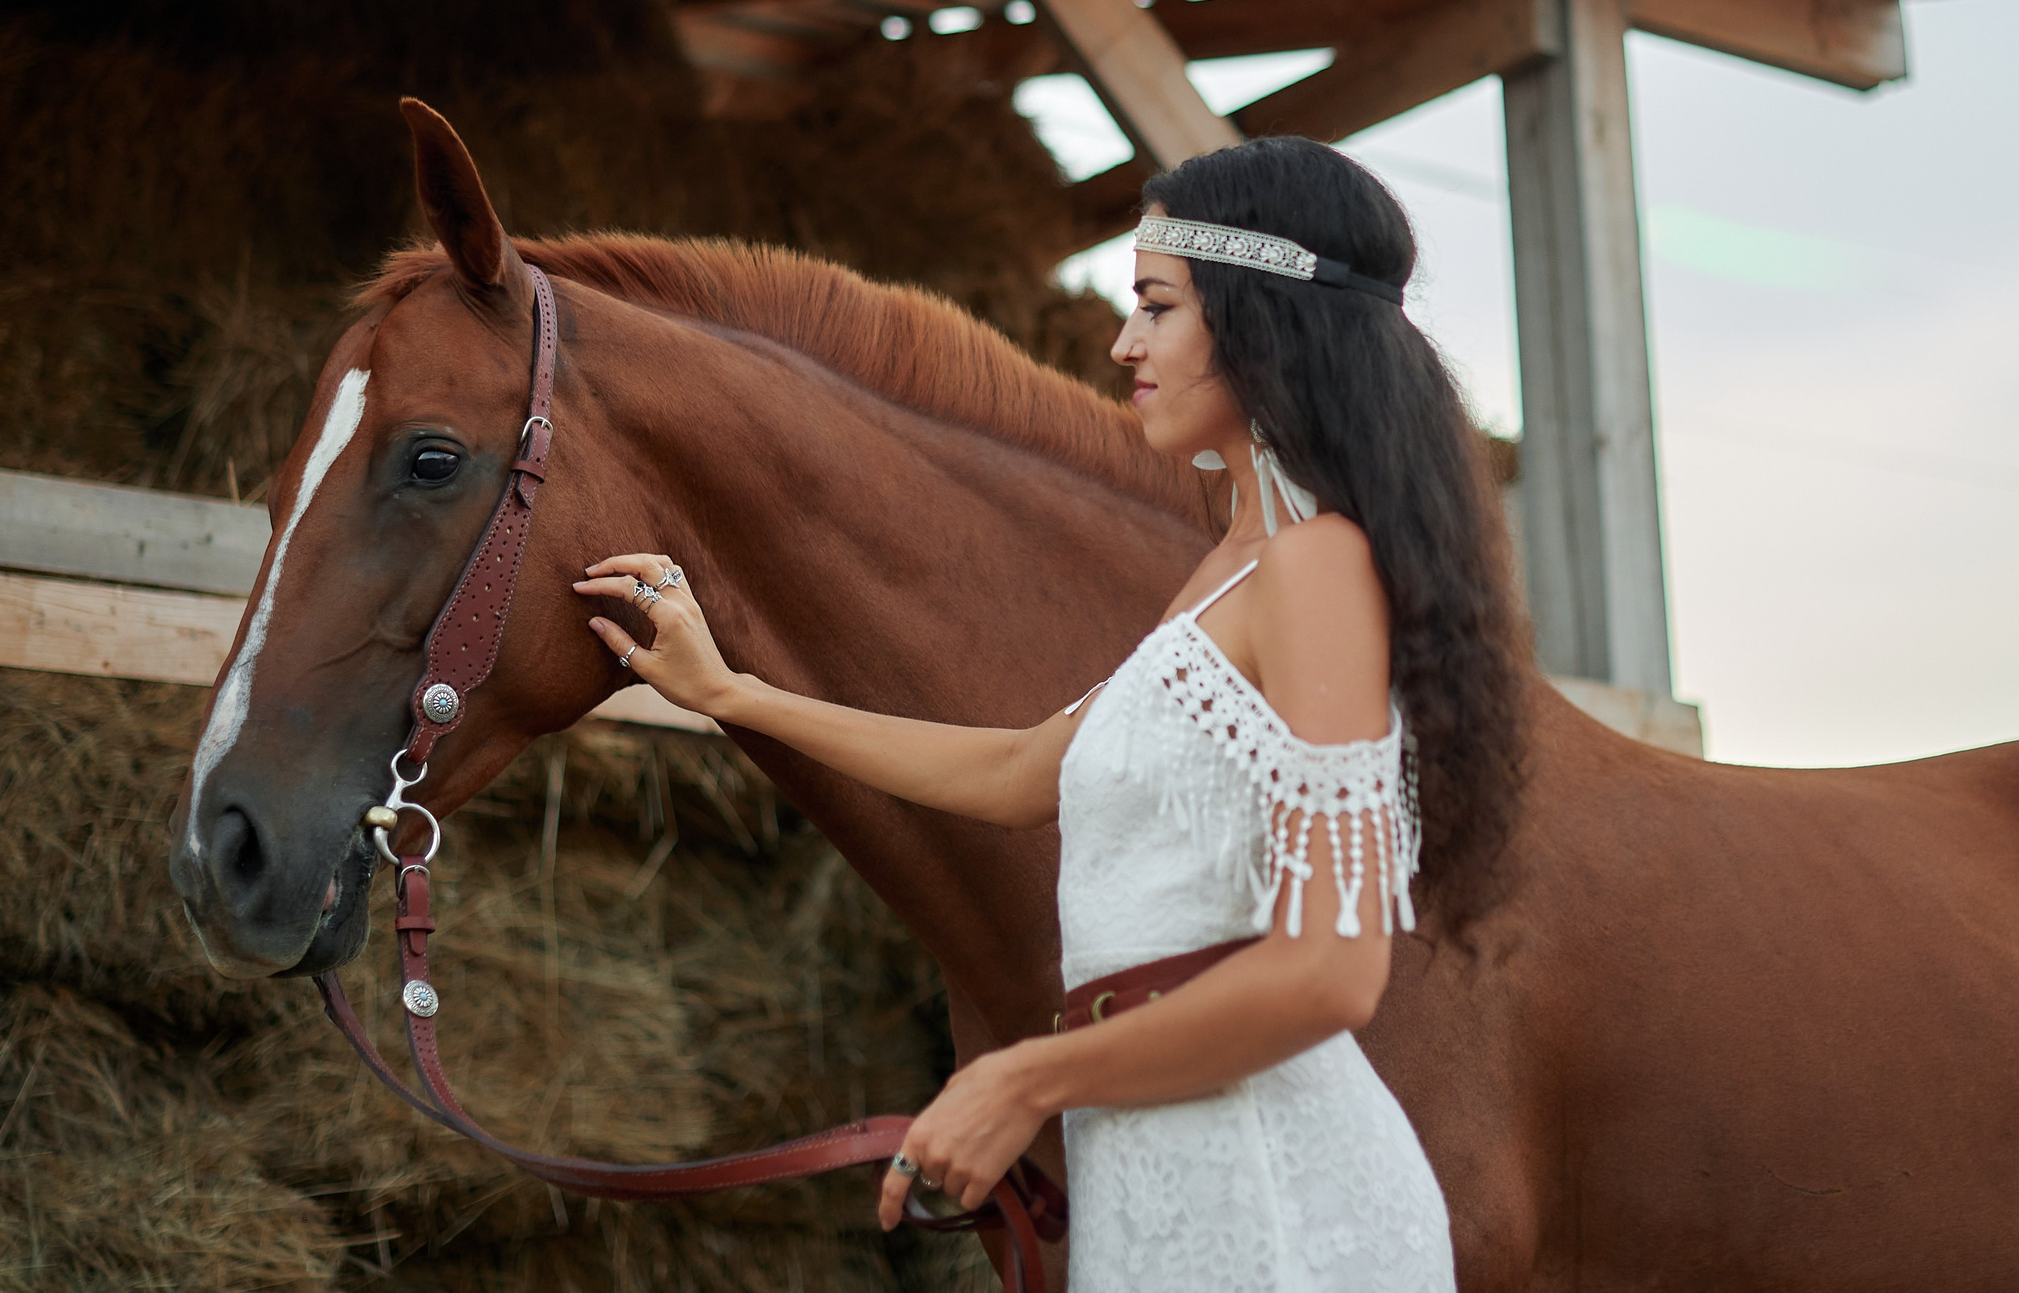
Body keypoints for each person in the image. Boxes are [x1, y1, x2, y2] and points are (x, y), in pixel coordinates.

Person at [572, 136, 1525, 1290]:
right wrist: (734, 696)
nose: (1124, 342)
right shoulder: (1231, 564)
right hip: (1159, 1174)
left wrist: (1021, 1080)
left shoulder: (1315, 567)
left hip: (1278, 1209)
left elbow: (1331, 974)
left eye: (1156, 305)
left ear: (1259, 318)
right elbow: (1026, 772)